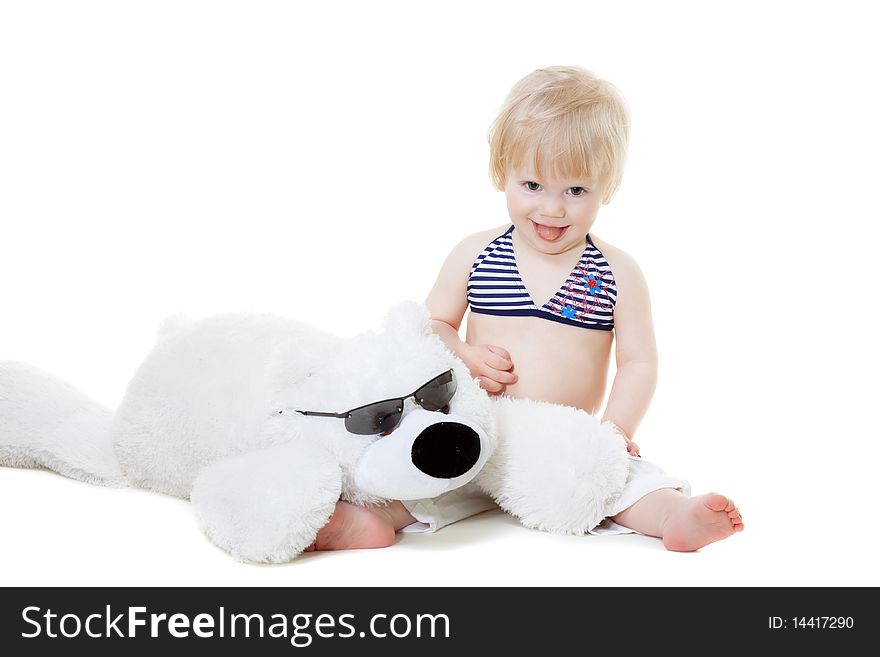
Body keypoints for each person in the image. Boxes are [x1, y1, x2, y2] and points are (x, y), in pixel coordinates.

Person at [306, 66, 743, 553]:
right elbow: (430, 327)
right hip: (477, 426)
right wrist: (466, 357)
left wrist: (616, 430)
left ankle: (672, 515)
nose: (552, 209)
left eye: (576, 191)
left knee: (615, 476)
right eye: (532, 185)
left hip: (559, 440)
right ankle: (372, 519)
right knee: (430, 468)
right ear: (502, 174)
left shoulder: (616, 272)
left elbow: (639, 362)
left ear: (607, 186)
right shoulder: (477, 253)